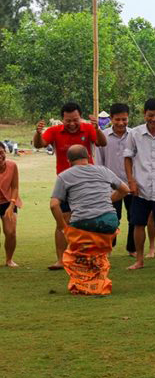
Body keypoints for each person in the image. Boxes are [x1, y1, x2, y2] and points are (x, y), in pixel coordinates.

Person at [34, 102, 107, 270]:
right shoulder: (54, 131)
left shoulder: (88, 129)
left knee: (87, 221)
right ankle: (61, 259)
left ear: (80, 117)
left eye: (75, 120)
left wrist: (97, 129)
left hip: (87, 184)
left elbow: (102, 143)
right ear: (62, 119)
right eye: (68, 121)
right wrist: (38, 133)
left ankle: (88, 257)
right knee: (62, 221)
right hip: (65, 184)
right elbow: (39, 145)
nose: (72, 124)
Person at [124, 98, 155, 270]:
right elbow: (128, 158)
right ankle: (139, 260)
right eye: (150, 115)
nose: (154, 119)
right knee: (138, 223)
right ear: (144, 114)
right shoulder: (134, 134)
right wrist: (131, 181)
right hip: (141, 188)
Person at [51, 145, 130, 235]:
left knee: (83, 248)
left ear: (68, 161)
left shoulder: (64, 176)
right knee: (103, 247)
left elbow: (54, 205)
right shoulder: (104, 170)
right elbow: (125, 190)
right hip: (109, 220)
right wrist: (107, 200)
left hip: (83, 221)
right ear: (88, 156)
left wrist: (62, 226)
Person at [95, 103, 135, 254]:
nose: (121, 123)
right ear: (111, 118)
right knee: (112, 218)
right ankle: (109, 247)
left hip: (131, 185)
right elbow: (99, 162)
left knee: (134, 218)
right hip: (111, 187)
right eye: (117, 119)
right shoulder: (103, 136)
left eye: (124, 119)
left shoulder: (134, 135)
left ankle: (132, 249)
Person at [0, 142, 20, 267]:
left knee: (11, 232)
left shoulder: (12, 165)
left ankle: (9, 259)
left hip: (8, 202)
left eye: (1, 153)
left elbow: (15, 187)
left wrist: (11, 205)